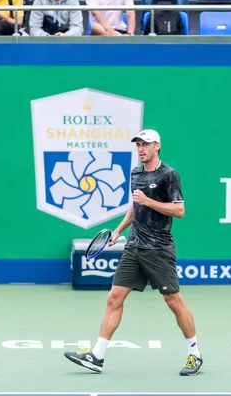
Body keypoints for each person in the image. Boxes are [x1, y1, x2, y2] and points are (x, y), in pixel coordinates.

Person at [63, 129, 203, 376]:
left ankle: (194, 354)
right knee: (114, 298)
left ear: (157, 145)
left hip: (159, 249)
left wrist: (149, 201)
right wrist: (118, 230)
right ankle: (97, 356)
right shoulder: (136, 173)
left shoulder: (169, 175)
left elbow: (179, 210)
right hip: (133, 247)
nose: (141, 149)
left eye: (146, 144)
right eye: (138, 144)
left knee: (173, 301)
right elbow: (135, 206)